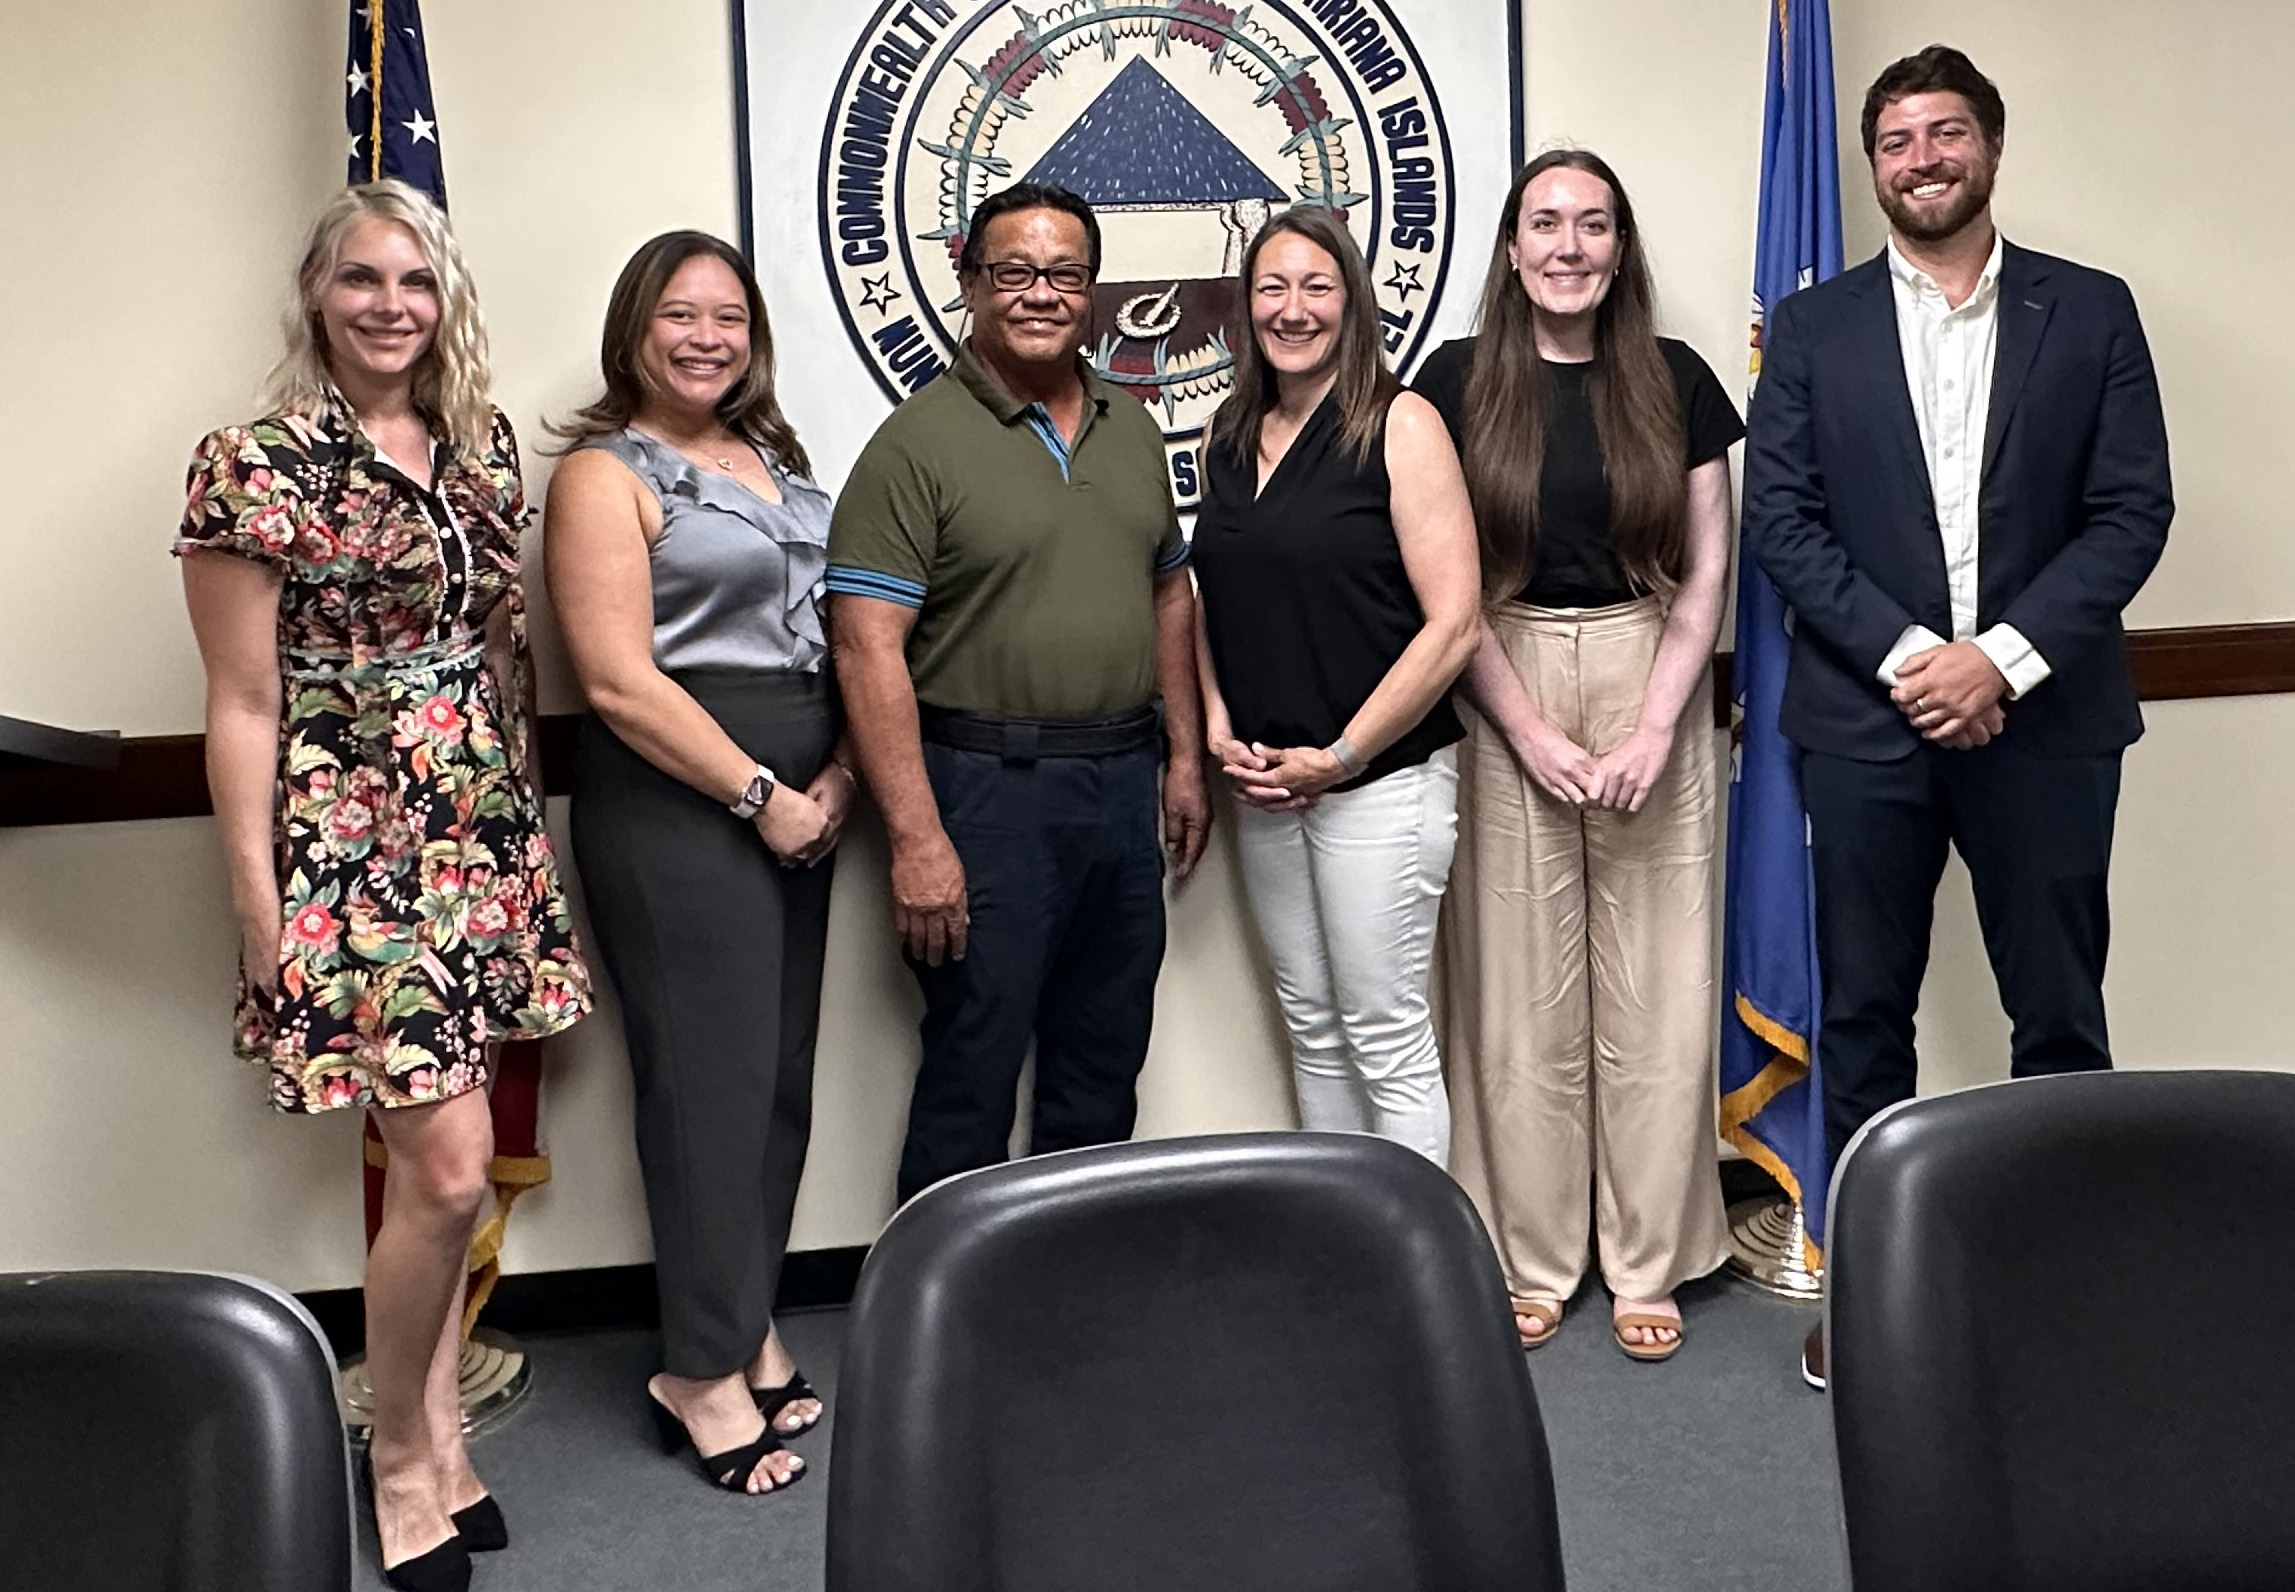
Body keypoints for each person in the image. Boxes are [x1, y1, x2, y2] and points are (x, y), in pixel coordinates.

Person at [177, 179, 590, 1592]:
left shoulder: (477, 452)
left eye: (415, 282)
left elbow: (499, 657)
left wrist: (519, 840)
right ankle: (402, 1455)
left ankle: (430, 1423)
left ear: (443, 297)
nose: (390, 306)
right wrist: (258, 907)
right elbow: (238, 703)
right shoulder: (256, 464)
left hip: (473, 828)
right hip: (344, 842)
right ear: (316, 292)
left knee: (449, 1171)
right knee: (447, 1166)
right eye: (363, 279)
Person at [1743, 47, 2173, 1390]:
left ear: (1988, 146)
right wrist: (1917, 659)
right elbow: (1781, 526)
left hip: (2045, 730)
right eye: (1891, 141)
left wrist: (1999, 661)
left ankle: (2068, 1285)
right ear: (1868, 167)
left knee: (2055, 1014)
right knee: (1866, 1019)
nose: (1918, 158)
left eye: (1942, 134)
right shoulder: (1810, 330)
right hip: (1862, 731)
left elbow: (2127, 515)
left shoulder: (2088, 313)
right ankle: (1878, 1299)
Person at [1416, 150, 1741, 1362]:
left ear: (1621, 247)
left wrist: (1661, 720)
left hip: (1653, 662)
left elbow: (1709, 564)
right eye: (1544, 223)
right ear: (1509, 249)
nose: (1568, 245)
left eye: (1592, 225)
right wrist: (1531, 728)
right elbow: (1443, 587)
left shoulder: (1678, 380)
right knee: (1518, 990)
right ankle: (1537, 1255)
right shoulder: (1452, 387)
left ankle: (1651, 1256)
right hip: (1498, 674)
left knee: (1660, 986)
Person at [828, 181, 1210, 1205]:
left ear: (1093, 292)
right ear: (970, 282)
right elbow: (867, 648)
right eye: (1015, 271)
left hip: (1121, 785)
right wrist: (915, 837)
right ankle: (939, 1333)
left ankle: (1072, 1308)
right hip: (983, 791)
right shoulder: (917, 445)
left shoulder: (1132, 426)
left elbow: (1169, 590)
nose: (1041, 293)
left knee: (1102, 1061)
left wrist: (1183, 757)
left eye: (1065, 274)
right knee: (973, 1065)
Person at [545, 232, 851, 1491]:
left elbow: (836, 637)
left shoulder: (778, 465)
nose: (708, 336)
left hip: (805, 803)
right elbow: (618, 681)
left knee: (774, 1084)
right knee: (702, 1090)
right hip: (684, 808)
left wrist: (834, 780)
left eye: (729, 316)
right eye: (680, 314)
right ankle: (697, 1370)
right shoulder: (603, 475)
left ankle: (745, 1320)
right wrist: (762, 790)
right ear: (635, 329)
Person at [1190, 207, 1480, 1164]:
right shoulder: (1226, 438)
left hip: (1380, 781)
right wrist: (1219, 726)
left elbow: (1453, 625)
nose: (1292, 308)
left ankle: (1413, 1289)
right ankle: (1338, 1256)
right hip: (1267, 783)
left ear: (1351, 302)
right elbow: (1208, 595)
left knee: (1383, 1034)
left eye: (1316, 286)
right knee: (1311, 1026)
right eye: (1271, 287)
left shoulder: (1401, 423)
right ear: (1246, 308)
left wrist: (1342, 755)